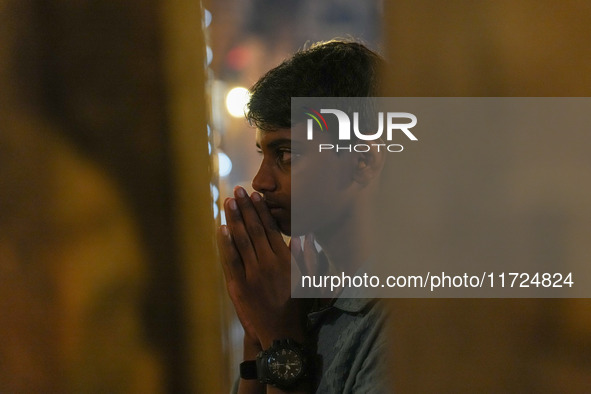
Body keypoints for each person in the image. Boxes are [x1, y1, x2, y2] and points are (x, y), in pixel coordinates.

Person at [217, 40, 390, 393]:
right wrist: (258, 329)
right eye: (262, 154)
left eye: (287, 154)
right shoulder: (301, 286)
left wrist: (282, 338)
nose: (260, 181)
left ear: (362, 162)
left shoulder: (406, 317)